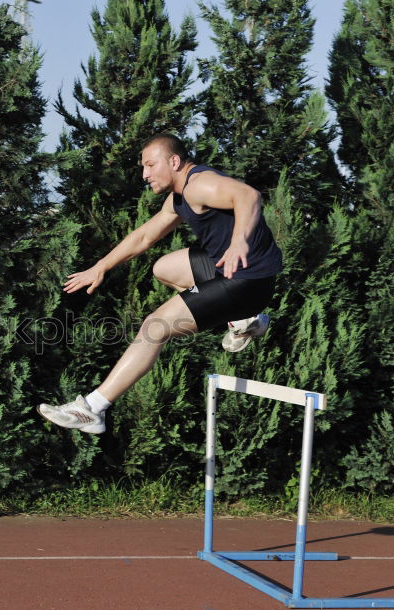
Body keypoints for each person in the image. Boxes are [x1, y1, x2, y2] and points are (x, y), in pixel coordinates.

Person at [38, 133, 282, 434]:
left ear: (174, 161)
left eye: (150, 165)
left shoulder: (199, 184)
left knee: (155, 326)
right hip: (230, 271)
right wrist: (100, 267)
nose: (145, 175)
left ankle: (93, 408)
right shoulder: (178, 198)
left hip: (247, 279)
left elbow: (248, 196)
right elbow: (144, 236)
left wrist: (239, 242)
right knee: (165, 267)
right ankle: (244, 319)